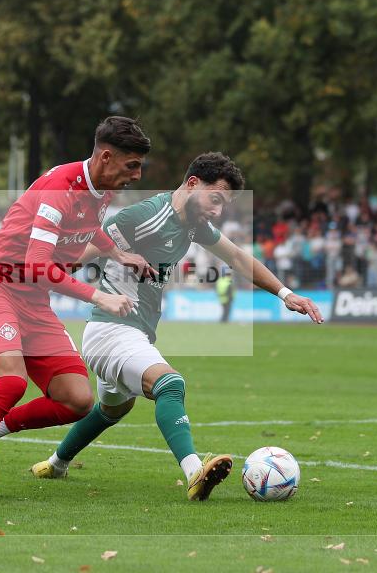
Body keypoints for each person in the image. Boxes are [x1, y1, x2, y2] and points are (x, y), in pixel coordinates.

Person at [24, 152, 324, 501]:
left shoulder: (192, 225)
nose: (217, 211)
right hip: (111, 330)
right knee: (169, 384)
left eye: (223, 205)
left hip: (130, 332)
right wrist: (33, 283)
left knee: (113, 409)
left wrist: (284, 293)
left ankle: (55, 463)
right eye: (215, 199)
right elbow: (76, 256)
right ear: (193, 184)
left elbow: (238, 257)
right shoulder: (145, 216)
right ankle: (194, 470)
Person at [0, 116, 153, 508]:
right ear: (105, 157)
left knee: (77, 399)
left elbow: (87, 228)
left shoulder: (99, 190)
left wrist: (118, 253)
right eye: (131, 165)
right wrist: (98, 298)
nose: (137, 174)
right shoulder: (60, 189)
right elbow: (37, 265)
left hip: (33, 299)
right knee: (11, 383)